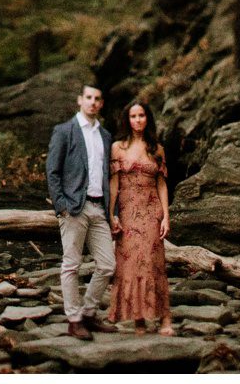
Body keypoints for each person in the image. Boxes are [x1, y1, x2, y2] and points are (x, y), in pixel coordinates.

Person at [45, 83, 118, 339]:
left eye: (97, 98)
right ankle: (74, 320)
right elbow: (52, 171)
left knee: (107, 265)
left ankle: (88, 313)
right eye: (88, 97)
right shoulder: (64, 131)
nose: (93, 102)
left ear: (101, 103)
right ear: (80, 100)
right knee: (71, 265)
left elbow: (108, 175)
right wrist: (61, 206)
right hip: (74, 207)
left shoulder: (105, 136)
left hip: (99, 208)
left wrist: (112, 211)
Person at [107, 99, 173, 333]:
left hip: (151, 211)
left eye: (141, 116)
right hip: (127, 212)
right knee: (131, 265)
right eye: (133, 116)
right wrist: (111, 214)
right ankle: (139, 320)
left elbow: (162, 184)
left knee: (154, 264)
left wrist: (166, 216)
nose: (137, 120)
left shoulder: (157, 148)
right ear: (128, 120)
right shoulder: (118, 147)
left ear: (147, 119)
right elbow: (114, 183)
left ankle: (165, 318)